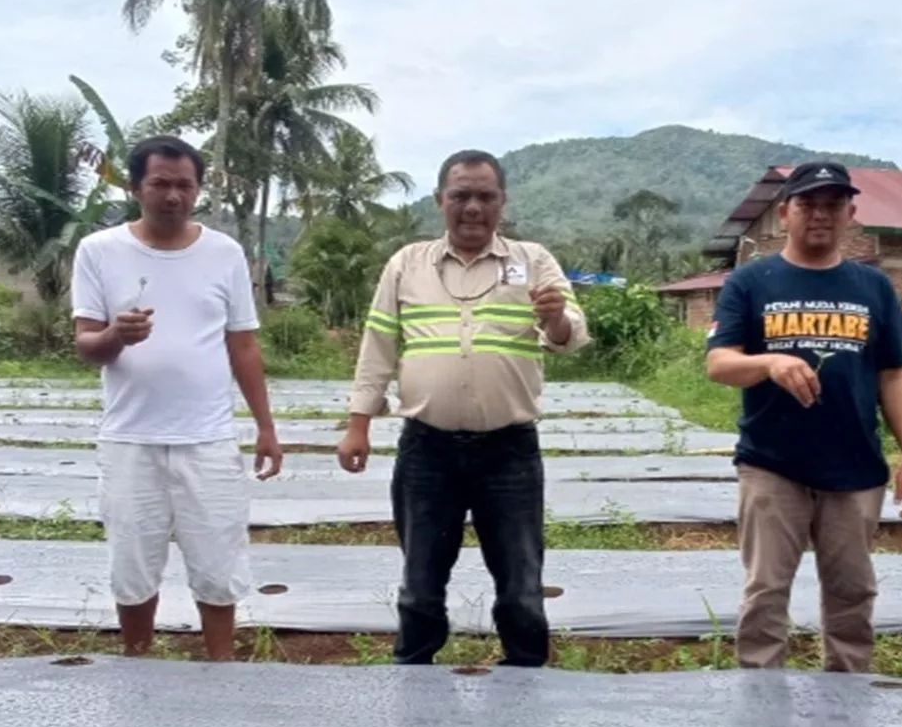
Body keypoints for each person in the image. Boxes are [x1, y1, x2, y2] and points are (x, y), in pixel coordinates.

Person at [340, 149, 590, 666]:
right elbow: (379, 345)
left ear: (502, 201)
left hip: (510, 452)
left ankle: (524, 680)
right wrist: (357, 425)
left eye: (485, 196)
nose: (472, 207)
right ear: (440, 201)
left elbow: (570, 336)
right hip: (426, 450)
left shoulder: (533, 261)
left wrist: (556, 317)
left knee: (522, 584)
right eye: (461, 196)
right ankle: (413, 679)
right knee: (420, 584)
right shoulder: (407, 263)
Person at [705, 161, 902, 673]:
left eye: (832, 205)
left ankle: (847, 700)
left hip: (855, 467)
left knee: (852, 591)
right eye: (808, 204)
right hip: (772, 464)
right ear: (785, 213)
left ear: (851, 213)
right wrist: (770, 362)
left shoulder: (873, 287)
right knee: (765, 590)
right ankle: (759, 697)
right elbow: (719, 363)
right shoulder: (750, 281)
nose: (820, 215)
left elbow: (894, 375)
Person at [70, 135, 284, 662]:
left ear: (197, 191)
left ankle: (221, 669)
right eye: (160, 184)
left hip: (207, 439)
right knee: (133, 566)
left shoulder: (224, 253)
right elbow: (86, 346)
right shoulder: (99, 251)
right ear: (137, 187)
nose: (172, 196)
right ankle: (138, 666)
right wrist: (116, 336)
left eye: (184, 185)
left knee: (218, 565)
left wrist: (266, 426)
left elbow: (243, 343)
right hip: (130, 440)